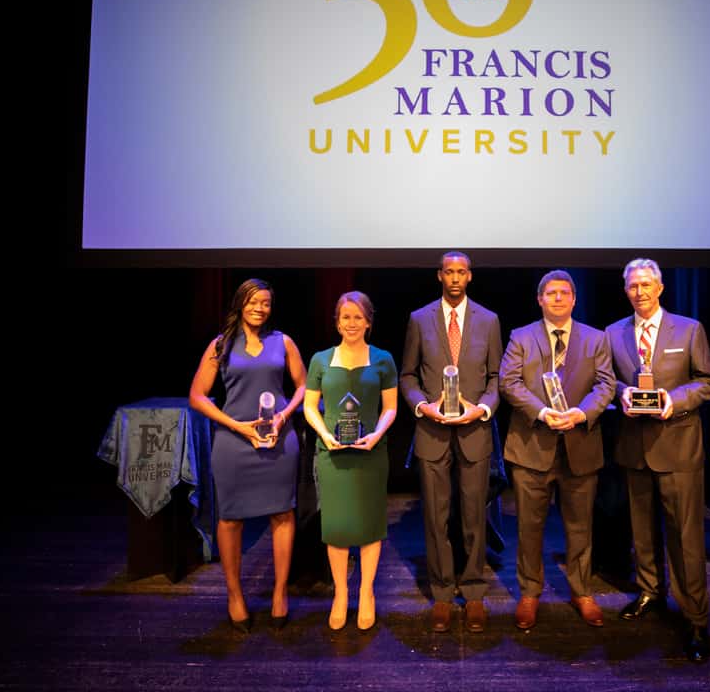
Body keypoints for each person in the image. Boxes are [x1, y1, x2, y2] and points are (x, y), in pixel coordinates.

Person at [604, 258, 710, 663]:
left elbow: (707, 382)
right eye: (633, 285)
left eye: (647, 284)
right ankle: (651, 590)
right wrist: (620, 393)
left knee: (686, 539)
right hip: (634, 446)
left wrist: (675, 400)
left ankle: (696, 618)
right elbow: (607, 379)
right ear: (626, 290)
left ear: (661, 287)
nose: (640, 291)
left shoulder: (689, 329)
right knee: (642, 532)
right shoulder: (612, 332)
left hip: (678, 446)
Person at [188, 278, 307, 632]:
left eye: (266, 303)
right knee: (231, 518)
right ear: (240, 303)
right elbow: (197, 395)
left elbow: (303, 386)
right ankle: (234, 594)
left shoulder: (282, 341)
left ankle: (280, 593)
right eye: (254, 302)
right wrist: (236, 426)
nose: (260, 308)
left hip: (277, 440)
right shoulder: (221, 345)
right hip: (234, 442)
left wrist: (286, 414)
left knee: (283, 514)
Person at [499, 270, 615, 629]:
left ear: (574, 299)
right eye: (551, 293)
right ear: (540, 299)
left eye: (565, 293)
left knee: (580, 527)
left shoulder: (596, 339)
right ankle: (530, 593)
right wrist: (542, 411)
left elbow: (606, 384)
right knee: (529, 528)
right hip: (531, 447)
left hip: (579, 446)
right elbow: (508, 382)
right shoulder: (521, 336)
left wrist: (581, 413)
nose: (558, 299)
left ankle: (582, 591)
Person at [399, 251, 503, 634]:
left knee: (475, 517)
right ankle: (442, 594)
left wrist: (484, 409)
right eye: (449, 272)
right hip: (433, 433)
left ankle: (474, 593)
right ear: (439, 276)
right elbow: (407, 376)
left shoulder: (489, 320)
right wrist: (423, 406)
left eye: (462, 272)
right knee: (436, 518)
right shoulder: (419, 319)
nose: (455, 278)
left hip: (475, 432)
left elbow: (496, 378)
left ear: (469, 277)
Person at [302, 291, 398, 631]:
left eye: (358, 317)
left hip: (371, 453)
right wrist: (324, 435)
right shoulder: (319, 360)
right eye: (346, 317)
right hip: (333, 455)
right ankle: (341, 594)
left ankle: (367, 592)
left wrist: (376, 435)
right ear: (336, 322)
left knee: (371, 525)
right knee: (337, 528)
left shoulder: (383, 359)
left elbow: (390, 408)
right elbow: (310, 406)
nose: (352, 323)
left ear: (368, 321)